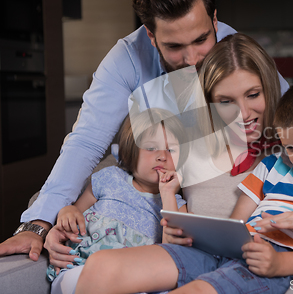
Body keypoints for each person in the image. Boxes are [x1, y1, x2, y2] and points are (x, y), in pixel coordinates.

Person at [0, 0, 289, 261]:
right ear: (151, 37)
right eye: (175, 46)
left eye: (201, 40)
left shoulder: (233, 48)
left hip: (220, 165)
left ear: (214, 21)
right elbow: (86, 142)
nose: (192, 59)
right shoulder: (125, 59)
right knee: (55, 205)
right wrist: (37, 224)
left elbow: (290, 114)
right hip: (146, 166)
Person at [72, 35, 293, 294]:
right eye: (226, 101)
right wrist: (59, 214)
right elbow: (124, 167)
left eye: (253, 94)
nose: (243, 113)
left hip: (261, 262)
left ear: (270, 87)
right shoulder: (187, 144)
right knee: (102, 268)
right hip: (207, 254)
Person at [47, 107, 188, 294]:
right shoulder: (109, 178)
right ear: (131, 150)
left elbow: (173, 256)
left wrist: (168, 194)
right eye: (151, 147)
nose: (162, 156)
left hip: (134, 281)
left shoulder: (177, 206)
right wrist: (67, 211)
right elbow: (74, 212)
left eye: (171, 150)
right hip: (80, 270)